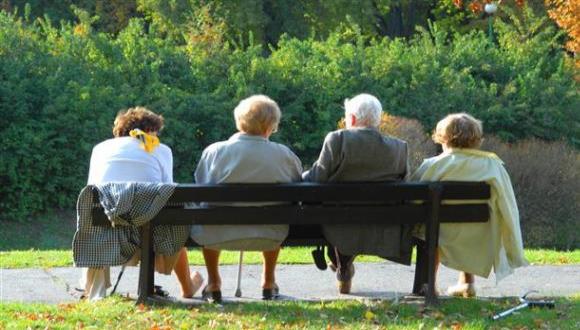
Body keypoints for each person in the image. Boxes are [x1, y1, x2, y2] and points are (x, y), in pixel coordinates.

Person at [81, 106, 203, 300]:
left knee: (167, 217)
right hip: (150, 226)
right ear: (151, 131)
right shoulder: (160, 149)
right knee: (175, 220)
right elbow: (167, 190)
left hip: (106, 224)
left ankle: (94, 289)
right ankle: (187, 286)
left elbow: (92, 186)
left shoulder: (100, 148)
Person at [192, 95, 303, 302]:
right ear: (269, 126)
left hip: (217, 233)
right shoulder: (284, 154)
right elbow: (298, 187)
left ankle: (214, 283)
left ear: (239, 122)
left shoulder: (215, 152)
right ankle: (268, 282)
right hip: (270, 233)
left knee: (210, 213)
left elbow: (201, 185)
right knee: (275, 214)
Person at [303, 93, 411, 294]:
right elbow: (405, 185)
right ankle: (344, 266)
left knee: (339, 217)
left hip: (337, 221)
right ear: (378, 119)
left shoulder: (337, 139)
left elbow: (318, 177)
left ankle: (343, 265)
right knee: (351, 217)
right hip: (383, 222)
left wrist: (300, 175)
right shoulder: (399, 148)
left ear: (351, 118)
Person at [412, 113, 528, 297]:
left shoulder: (433, 165)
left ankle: (431, 284)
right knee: (466, 229)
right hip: (480, 228)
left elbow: (414, 199)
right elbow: (507, 202)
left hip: (440, 230)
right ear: (477, 140)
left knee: (430, 229)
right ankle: (467, 282)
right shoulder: (493, 165)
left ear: (443, 138)